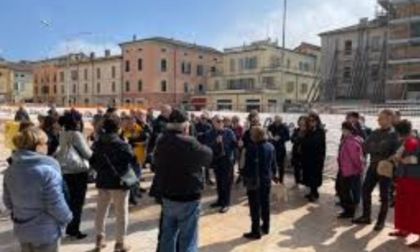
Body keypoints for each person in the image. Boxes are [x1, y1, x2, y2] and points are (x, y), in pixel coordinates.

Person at [3, 127, 72, 252]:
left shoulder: (10, 171)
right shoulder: (47, 171)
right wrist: (67, 217)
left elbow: (8, 203)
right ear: (38, 146)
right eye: (45, 143)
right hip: (46, 232)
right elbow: (55, 203)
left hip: (22, 230)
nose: (47, 146)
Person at [153, 109, 212, 252]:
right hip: (188, 197)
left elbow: (155, 164)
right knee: (188, 238)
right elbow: (208, 156)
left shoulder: (161, 141)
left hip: (168, 195)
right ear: (186, 126)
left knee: (167, 236)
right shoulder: (190, 142)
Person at [90, 113, 136, 252]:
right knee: (121, 213)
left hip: (103, 181)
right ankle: (119, 243)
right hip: (119, 182)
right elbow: (132, 161)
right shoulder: (122, 144)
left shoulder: (98, 144)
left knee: (100, 211)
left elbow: (92, 162)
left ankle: (99, 239)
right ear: (118, 127)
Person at [353, 109, 399, 231]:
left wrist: (376, 148)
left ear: (389, 119)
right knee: (365, 190)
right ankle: (366, 216)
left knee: (384, 196)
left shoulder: (395, 134)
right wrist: (378, 148)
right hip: (373, 166)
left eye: (381, 118)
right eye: (378, 117)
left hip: (385, 168)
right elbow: (365, 146)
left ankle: (380, 222)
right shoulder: (375, 132)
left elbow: (396, 153)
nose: (378, 120)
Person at [56, 112, 92, 239]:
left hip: (64, 170)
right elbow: (87, 154)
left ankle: (68, 226)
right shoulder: (76, 134)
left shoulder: (62, 133)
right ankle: (74, 229)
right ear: (76, 121)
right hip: (78, 170)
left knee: (68, 200)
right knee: (77, 202)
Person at [389, 120, 420, 248]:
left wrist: (400, 159)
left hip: (412, 179)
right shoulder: (408, 141)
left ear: (399, 132)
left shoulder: (411, 142)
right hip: (405, 178)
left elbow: (411, 159)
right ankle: (404, 229)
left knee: (414, 207)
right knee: (403, 204)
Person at [242, 126, 276, 240]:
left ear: (255, 136)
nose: (250, 135)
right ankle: (266, 227)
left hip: (254, 181)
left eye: (252, 133)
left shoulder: (251, 148)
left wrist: (244, 176)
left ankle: (255, 231)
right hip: (266, 180)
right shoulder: (271, 146)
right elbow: (273, 165)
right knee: (265, 204)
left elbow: (247, 167)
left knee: (254, 207)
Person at [205, 115, 237, 213]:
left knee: (226, 183)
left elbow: (234, 145)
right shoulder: (210, 133)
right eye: (218, 121)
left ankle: (226, 203)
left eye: (222, 121)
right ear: (213, 122)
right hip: (217, 161)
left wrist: (238, 144)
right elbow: (207, 146)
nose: (221, 123)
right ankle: (220, 201)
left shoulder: (229, 132)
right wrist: (215, 142)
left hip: (227, 161)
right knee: (219, 182)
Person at [337, 121, 364, 219]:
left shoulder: (351, 142)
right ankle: (348, 210)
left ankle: (349, 211)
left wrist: (360, 168)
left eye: (344, 130)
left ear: (349, 130)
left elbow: (356, 158)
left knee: (346, 192)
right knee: (345, 191)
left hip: (349, 171)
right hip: (346, 170)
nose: (342, 131)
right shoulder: (348, 140)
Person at [301, 112, 326, 202]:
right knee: (309, 175)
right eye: (310, 120)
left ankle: (314, 193)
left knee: (315, 176)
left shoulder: (320, 131)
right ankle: (312, 192)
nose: (311, 122)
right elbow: (303, 142)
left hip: (316, 158)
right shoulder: (308, 130)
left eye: (313, 120)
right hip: (308, 157)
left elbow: (316, 143)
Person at [267, 115, 290, 184]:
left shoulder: (284, 127)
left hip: (281, 148)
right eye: (276, 121)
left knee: (281, 165)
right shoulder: (270, 126)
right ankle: (273, 177)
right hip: (272, 147)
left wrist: (280, 138)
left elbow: (288, 137)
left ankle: (281, 179)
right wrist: (270, 136)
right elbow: (267, 134)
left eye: (279, 121)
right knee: (272, 164)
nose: (277, 122)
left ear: (281, 121)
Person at [291, 116, 309, 186]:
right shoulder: (296, 130)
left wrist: (299, 139)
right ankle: (297, 181)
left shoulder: (308, 131)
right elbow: (292, 139)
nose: (302, 122)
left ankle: (305, 181)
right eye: (300, 120)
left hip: (305, 153)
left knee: (305, 168)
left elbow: (307, 141)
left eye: (303, 120)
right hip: (296, 152)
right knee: (296, 168)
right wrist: (298, 138)